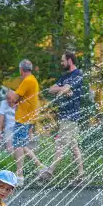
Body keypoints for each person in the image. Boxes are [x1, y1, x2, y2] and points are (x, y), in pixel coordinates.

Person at [40, 51, 84, 181]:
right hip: (64, 115)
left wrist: (63, 89)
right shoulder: (65, 76)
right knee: (73, 146)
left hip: (71, 115)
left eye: (62, 60)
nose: (61, 63)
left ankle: (50, 171)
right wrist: (62, 89)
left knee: (60, 143)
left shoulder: (78, 74)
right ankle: (81, 173)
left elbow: (65, 89)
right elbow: (51, 89)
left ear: (70, 60)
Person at [7, 60, 46, 186]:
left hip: (23, 118)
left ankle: (19, 176)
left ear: (21, 70)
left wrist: (10, 93)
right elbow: (24, 99)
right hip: (28, 118)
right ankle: (39, 166)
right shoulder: (33, 80)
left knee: (18, 145)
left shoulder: (27, 81)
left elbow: (13, 98)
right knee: (22, 145)